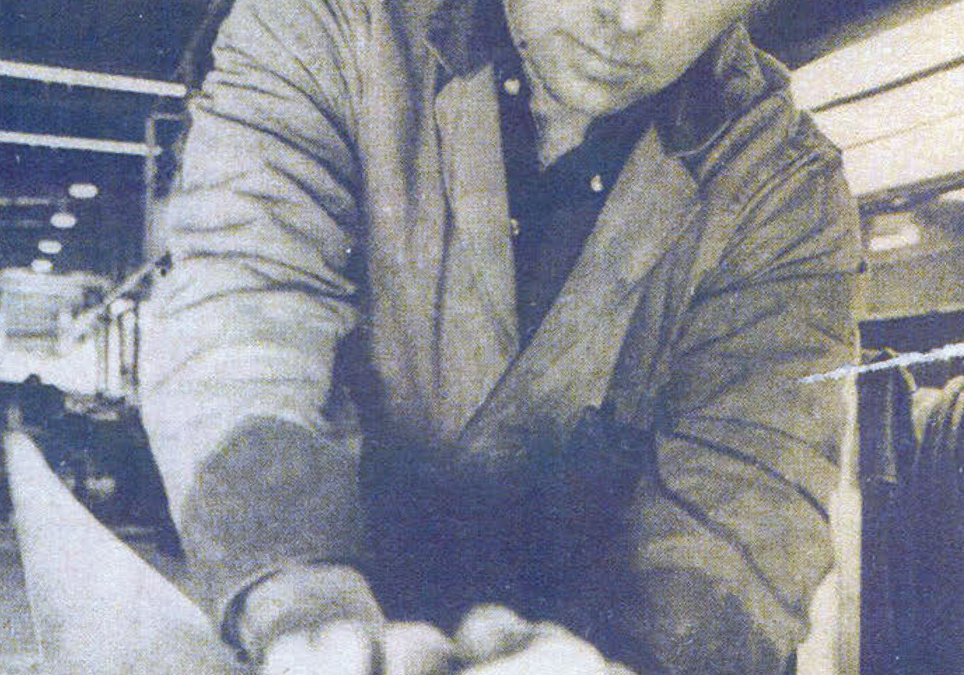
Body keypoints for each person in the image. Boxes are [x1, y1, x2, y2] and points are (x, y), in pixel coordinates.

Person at [140, 0, 862, 672]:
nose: (630, 16)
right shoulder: (329, 20)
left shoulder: (787, 188)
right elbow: (242, 306)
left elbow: (752, 480)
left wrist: (640, 661)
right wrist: (300, 597)